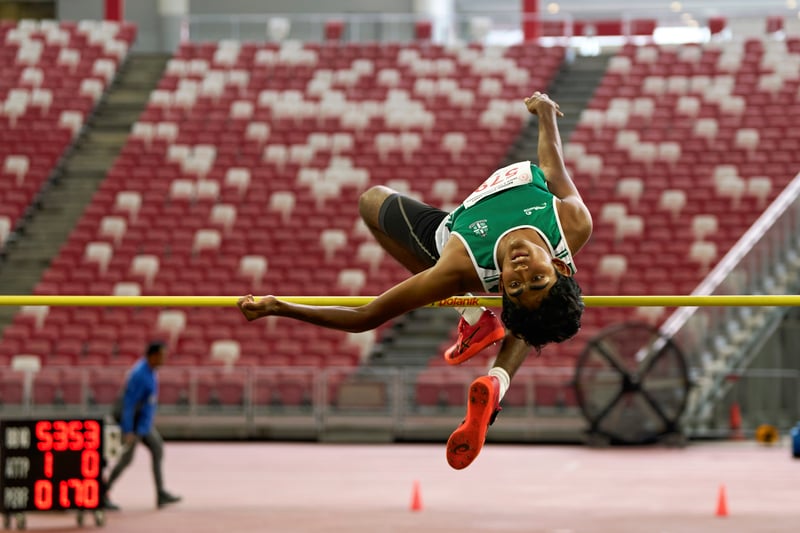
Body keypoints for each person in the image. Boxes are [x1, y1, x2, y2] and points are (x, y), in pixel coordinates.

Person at [238, 91, 593, 470]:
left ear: (500, 286)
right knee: (537, 312)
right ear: (560, 264)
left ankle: (477, 324)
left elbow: (367, 317)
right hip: (496, 239)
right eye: (536, 277)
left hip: (451, 234)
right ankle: (495, 372)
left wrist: (279, 306)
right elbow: (553, 166)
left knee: (372, 201)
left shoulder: (457, 266)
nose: (521, 271)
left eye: (515, 285)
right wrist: (545, 113)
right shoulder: (572, 223)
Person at [104, 341, 182, 510]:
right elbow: (129, 404)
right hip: (132, 422)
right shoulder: (139, 374)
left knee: (157, 448)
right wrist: (128, 430)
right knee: (126, 460)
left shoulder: (151, 372)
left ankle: (160, 493)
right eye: (162, 356)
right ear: (152, 356)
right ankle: (103, 492)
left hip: (142, 423)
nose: (164, 359)